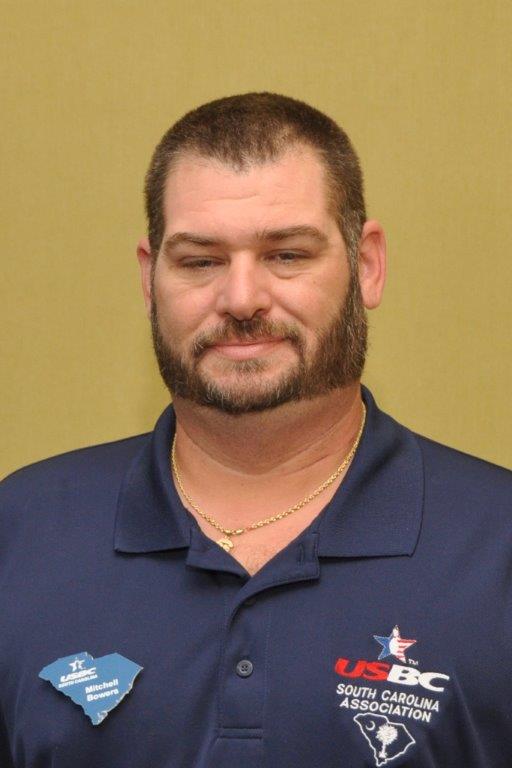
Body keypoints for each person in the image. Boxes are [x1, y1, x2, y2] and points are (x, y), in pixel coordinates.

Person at [0, 92, 510, 768]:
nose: (242, 300)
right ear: (150, 277)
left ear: (367, 265)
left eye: (287, 255)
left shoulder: (496, 546)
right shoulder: (22, 531)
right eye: (200, 261)